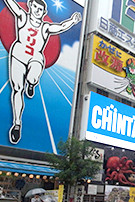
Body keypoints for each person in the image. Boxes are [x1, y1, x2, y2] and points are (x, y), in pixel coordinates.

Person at [4, 0, 81, 144]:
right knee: (17, 89)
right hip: (18, 54)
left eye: (40, 9)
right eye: (35, 7)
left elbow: (60, 27)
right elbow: (12, 4)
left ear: (44, 12)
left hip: (35, 57)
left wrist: (72, 21)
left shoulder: (44, 27)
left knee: (34, 73)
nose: (37, 11)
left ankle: (32, 83)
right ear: (30, 6)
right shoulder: (22, 16)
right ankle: (17, 124)